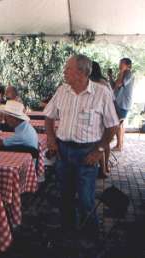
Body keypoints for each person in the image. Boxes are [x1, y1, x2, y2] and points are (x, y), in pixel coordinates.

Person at [44, 55, 118, 239]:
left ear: (81, 72)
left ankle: (90, 235)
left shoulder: (101, 93)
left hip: (87, 153)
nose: (64, 71)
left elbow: (112, 126)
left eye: (68, 68)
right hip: (63, 151)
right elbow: (48, 116)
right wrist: (52, 139)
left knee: (85, 198)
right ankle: (67, 230)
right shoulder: (62, 91)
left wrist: (99, 151)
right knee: (65, 195)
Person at [90, 61, 114, 176]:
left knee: (99, 142)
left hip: (98, 116)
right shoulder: (104, 82)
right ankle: (105, 167)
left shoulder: (91, 82)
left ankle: (103, 168)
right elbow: (112, 98)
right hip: (105, 115)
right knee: (104, 142)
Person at [112, 58, 134, 152]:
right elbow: (115, 86)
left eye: (121, 63)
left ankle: (119, 145)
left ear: (128, 65)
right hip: (119, 101)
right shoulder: (122, 73)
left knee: (118, 123)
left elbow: (120, 84)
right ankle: (120, 144)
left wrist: (121, 72)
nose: (119, 65)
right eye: (119, 63)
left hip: (123, 103)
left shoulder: (129, 74)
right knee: (120, 123)